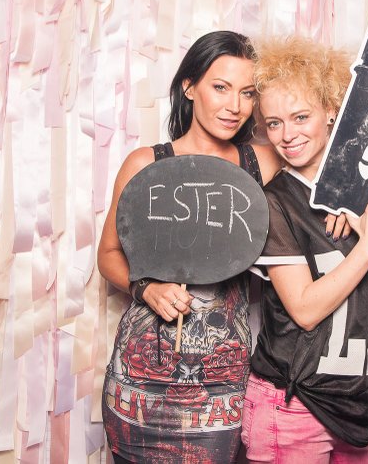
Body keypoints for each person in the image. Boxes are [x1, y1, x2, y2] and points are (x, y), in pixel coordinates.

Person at [97, 31, 282, 464]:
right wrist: (147, 289)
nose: (234, 106)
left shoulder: (263, 162)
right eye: (220, 87)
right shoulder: (146, 164)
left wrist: (341, 210)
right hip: (139, 379)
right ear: (189, 87)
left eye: (247, 93)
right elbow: (108, 255)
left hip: (221, 381)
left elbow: (321, 159)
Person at [241, 36, 368, 463]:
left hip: (355, 407)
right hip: (292, 404)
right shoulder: (273, 201)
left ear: (331, 111)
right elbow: (304, 310)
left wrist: (367, 228)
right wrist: (367, 244)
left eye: (301, 117)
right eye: (274, 123)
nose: (288, 135)